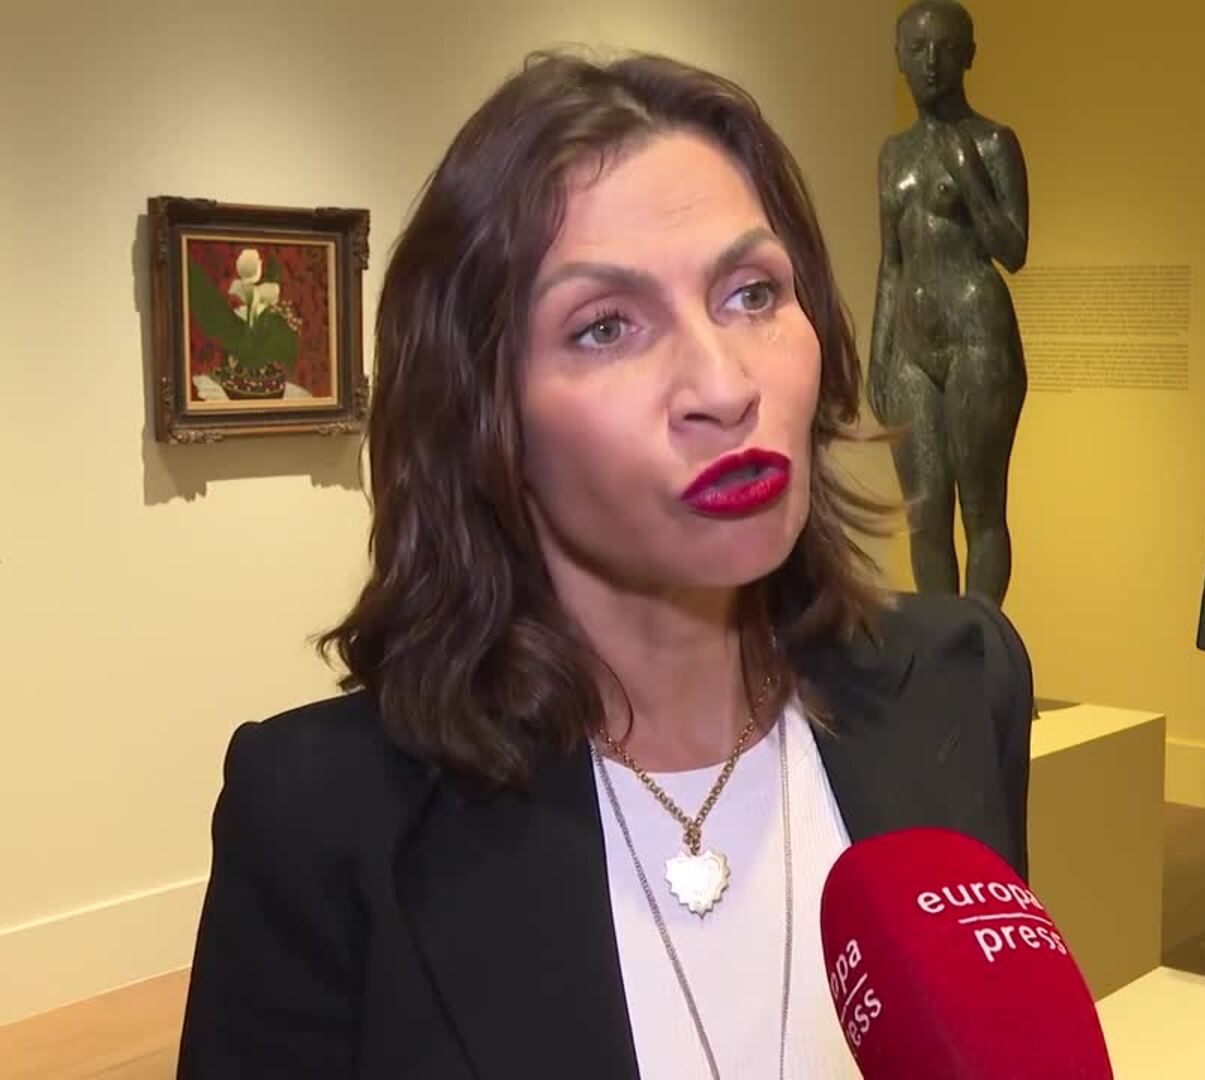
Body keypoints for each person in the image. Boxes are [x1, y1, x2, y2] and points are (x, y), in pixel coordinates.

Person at [176, 51, 1034, 1080]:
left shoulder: (958, 685)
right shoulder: (321, 815)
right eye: (606, 327)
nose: (723, 385)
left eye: (753, 293)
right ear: (483, 414)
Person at [870, 0, 1029, 604]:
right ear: (898, 59)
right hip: (911, 347)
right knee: (925, 513)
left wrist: (970, 178)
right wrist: (878, 354)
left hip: (976, 335)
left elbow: (1013, 250)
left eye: (945, 49)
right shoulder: (892, 154)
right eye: (917, 49)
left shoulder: (992, 142)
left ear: (969, 56)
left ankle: (982, 645)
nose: (931, 63)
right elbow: (891, 262)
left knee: (982, 509)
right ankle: (942, 647)